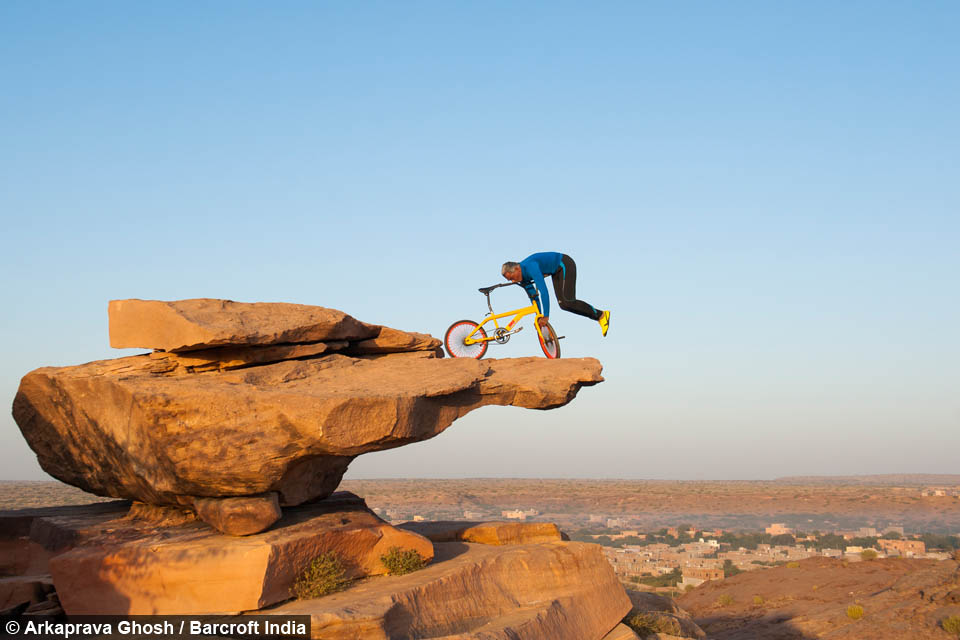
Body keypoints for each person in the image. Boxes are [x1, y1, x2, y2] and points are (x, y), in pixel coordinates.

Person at [502, 252, 610, 336]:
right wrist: (538, 316)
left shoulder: (530, 266)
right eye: (510, 280)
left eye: (512, 278)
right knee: (564, 305)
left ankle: (601, 315)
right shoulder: (522, 279)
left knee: (568, 300)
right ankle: (600, 316)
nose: (513, 281)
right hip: (555, 271)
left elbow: (543, 291)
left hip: (564, 263)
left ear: (516, 268)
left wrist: (546, 316)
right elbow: (534, 297)